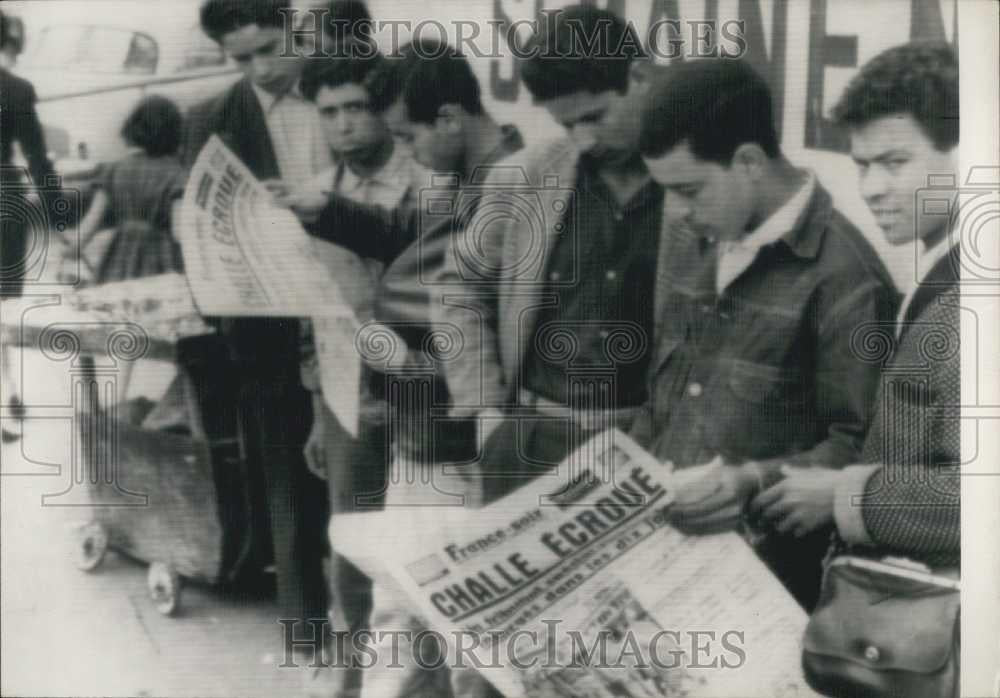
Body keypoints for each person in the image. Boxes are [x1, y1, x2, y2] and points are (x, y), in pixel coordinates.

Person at [299, 39, 523, 698]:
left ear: (449, 120)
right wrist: (326, 210)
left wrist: (406, 360)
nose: (409, 152)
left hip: (453, 440)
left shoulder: (504, 187)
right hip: (424, 434)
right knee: (406, 615)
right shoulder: (468, 182)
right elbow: (412, 233)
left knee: (445, 627)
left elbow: (492, 331)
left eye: (408, 135)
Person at [634, 57, 898, 609]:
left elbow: (862, 449)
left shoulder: (846, 276)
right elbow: (664, 396)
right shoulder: (694, 234)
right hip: (655, 564)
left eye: (689, 190)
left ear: (749, 161)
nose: (675, 212)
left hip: (761, 587)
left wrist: (751, 480)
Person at [438, 5, 663, 506]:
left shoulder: (693, 187)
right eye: (567, 125)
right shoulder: (523, 177)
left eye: (595, 117)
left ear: (640, 78)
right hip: (528, 440)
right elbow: (459, 285)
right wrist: (484, 407)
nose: (584, 139)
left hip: (644, 444)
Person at [747, 42, 960, 570]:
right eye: (862, 165)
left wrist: (845, 496)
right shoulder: (945, 267)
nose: (871, 189)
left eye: (894, 162)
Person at [276, 47, 431, 698]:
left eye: (357, 108)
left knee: (425, 543)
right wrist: (319, 414)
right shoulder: (314, 195)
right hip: (348, 399)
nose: (343, 124)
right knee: (352, 544)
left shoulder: (426, 182)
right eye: (329, 112)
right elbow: (315, 313)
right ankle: (363, 678)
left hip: (426, 393)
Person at [180, 0, 332, 661]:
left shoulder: (342, 93)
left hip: (353, 298)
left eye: (271, 47)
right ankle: (304, 629)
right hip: (268, 322)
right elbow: (190, 219)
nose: (261, 67)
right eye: (242, 58)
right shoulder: (211, 119)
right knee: (284, 469)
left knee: (363, 465)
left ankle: (375, 623)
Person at [1, 7, 58, 442]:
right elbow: (37, 157)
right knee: (2, 307)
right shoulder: (17, 90)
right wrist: (59, 216)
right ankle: (8, 399)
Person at [79, 96, 186, 283]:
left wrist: (74, 247)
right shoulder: (177, 174)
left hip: (120, 254)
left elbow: (92, 219)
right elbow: (179, 232)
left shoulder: (113, 169)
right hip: (161, 258)